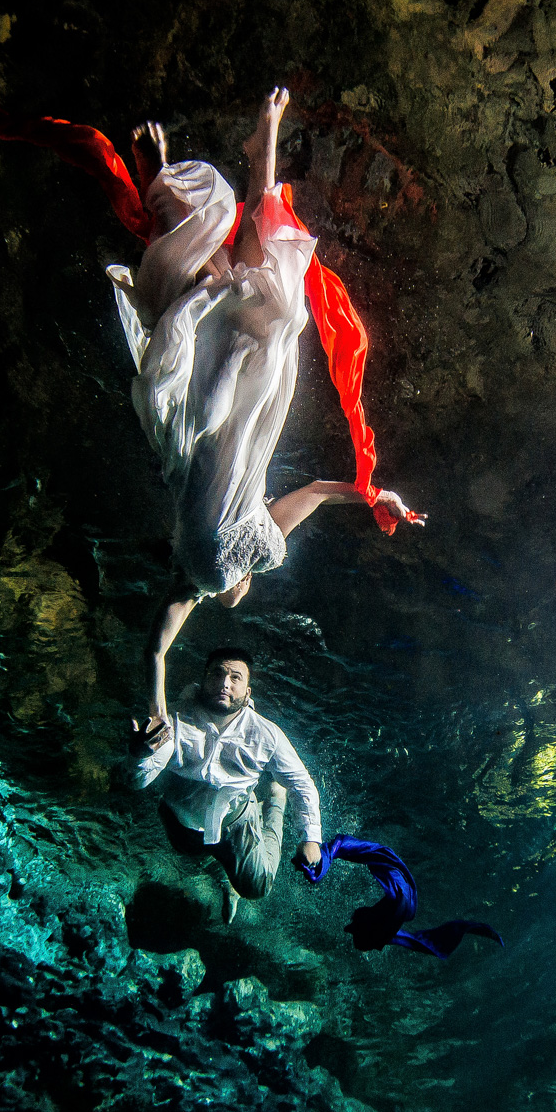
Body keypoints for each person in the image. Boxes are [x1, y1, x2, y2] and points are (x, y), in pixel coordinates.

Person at [107, 89, 424, 725]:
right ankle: (262, 152)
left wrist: (157, 711)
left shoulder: (189, 585)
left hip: (200, 429)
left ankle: (161, 186)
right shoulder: (260, 543)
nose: (241, 594)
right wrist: (373, 494)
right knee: (273, 308)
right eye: (244, 593)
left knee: (204, 302)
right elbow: (314, 490)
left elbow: (157, 651)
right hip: (248, 421)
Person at [131, 648, 321, 920]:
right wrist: (139, 756)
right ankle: (224, 876)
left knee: (258, 887)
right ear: (203, 679)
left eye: (235, 677)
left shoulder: (266, 734)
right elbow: (139, 781)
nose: (224, 683)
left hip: (237, 822)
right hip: (181, 820)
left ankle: (275, 799)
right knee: (189, 853)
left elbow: (302, 783)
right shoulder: (173, 721)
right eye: (217, 674)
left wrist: (310, 837)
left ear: (247, 692)